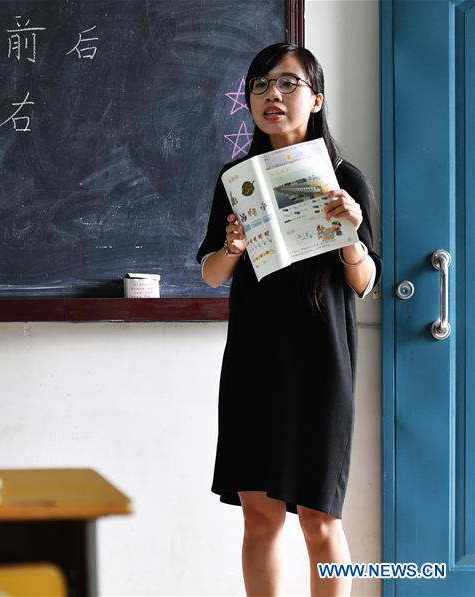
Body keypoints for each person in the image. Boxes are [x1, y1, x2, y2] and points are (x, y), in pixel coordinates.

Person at [196, 43, 381, 596]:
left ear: (316, 98)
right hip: (254, 360)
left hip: (322, 363)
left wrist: (351, 233)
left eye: (287, 83)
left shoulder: (345, 177)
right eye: (259, 85)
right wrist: (232, 245)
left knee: (320, 519)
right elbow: (211, 274)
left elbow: (365, 281)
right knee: (259, 515)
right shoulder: (237, 176)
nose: (270, 95)